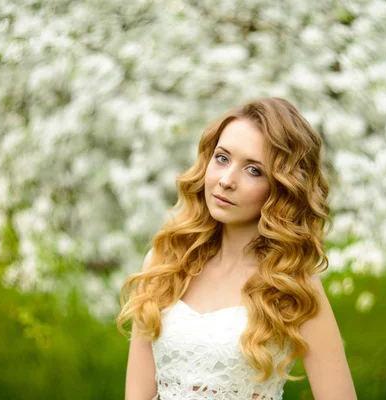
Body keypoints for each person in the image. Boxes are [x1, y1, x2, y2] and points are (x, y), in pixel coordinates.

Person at [117, 97, 357, 400]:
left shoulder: (293, 285)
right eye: (222, 158)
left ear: (282, 187)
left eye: (254, 170)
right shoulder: (165, 262)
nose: (227, 180)